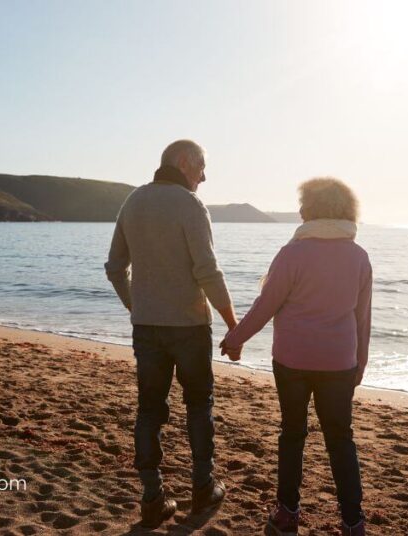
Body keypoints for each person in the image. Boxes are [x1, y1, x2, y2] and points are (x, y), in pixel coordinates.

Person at [220, 177, 371, 536]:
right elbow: (362, 318)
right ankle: (353, 522)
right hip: (339, 363)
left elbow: (266, 305)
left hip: (292, 362)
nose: (299, 210)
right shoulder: (359, 256)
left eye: (303, 203)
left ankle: (287, 513)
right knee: (340, 439)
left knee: (292, 434)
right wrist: (360, 361)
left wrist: (235, 339)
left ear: (314, 208)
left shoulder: (293, 253)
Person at [105, 139, 240, 529]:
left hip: (146, 327)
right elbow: (207, 271)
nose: (204, 177)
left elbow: (115, 267)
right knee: (198, 405)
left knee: (149, 410)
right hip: (189, 327)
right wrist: (233, 325)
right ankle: (203, 487)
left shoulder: (133, 201)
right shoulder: (190, 204)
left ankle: (152, 498)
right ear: (183, 162)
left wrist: (136, 306)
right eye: (201, 168)